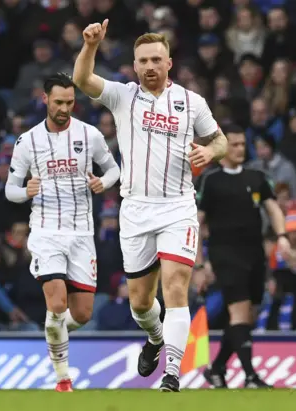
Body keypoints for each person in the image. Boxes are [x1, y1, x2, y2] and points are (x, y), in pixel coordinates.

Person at [72, 21, 228, 392]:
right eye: (143, 60)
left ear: (169, 63)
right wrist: (90, 45)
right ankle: (155, 338)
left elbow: (220, 140)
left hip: (178, 207)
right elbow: (82, 79)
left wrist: (210, 150)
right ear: (135, 65)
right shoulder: (123, 96)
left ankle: (172, 372)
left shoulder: (192, 102)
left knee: (175, 287)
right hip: (136, 210)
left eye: (157, 59)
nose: (150, 66)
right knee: (141, 304)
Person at [5, 73, 120, 392]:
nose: (65, 108)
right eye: (58, 102)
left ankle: (54, 332)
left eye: (70, 102)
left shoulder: (90, 135)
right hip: (46, 232)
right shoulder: (28, 141)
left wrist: (103, 182)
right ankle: (62, 377)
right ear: (45, 99)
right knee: (56, 303)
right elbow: (10, 190)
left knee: (81, 314)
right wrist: (26, 191)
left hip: (82, 234)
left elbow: (113, 169)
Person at [194, 125, 290, 388]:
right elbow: (197, 224)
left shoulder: (257, 177)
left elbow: (273, 209)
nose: (239, 149)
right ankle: (250, 376)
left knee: (248, 315)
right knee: (239, 313)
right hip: (225, 253)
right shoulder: (210, 180)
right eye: (233, 145)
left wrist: (282, 236)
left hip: (254, 253)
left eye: (241, 144)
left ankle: (216, 369)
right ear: (222, 148)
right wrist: (200, 264)